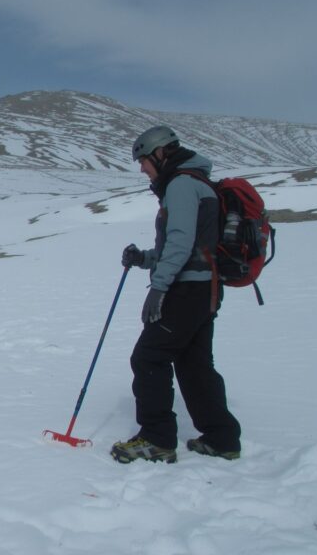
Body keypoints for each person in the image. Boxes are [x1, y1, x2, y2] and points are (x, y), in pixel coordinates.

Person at [110, 125, 242, 465]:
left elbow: (181, 243)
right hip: (203, 288)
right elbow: (184, 245)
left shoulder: (181, 185)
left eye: (142, 160)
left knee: (148, 357)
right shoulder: (195, 182)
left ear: (160, 153)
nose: (141, 168)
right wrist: (145, 259)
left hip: (187, 290)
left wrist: (159, 287)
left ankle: (156, 439)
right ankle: (221, 437)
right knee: (195, 364)